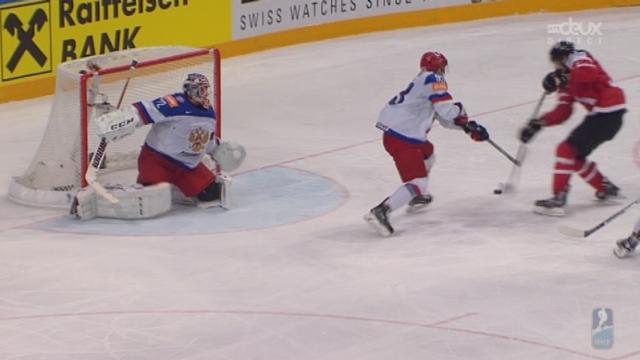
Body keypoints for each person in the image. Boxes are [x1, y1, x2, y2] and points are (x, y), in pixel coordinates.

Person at [71, 73, 245, 220]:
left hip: (188, 166)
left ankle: (175, 187)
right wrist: (119, 120)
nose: (204, 94)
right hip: (158, 160)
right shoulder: (174, 104)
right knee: (149, 200)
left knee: (212, 194)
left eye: (206, 90)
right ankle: (94, 200)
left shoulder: (209, 113)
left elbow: (205, 138)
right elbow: (145, 110)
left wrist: (217, 149)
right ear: (191, 91)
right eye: (200, 90)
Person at [365, 51, 490, 237]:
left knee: (428, 153)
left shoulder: (424, 82)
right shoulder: (434, 79)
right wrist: (461, 111)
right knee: (419, 182)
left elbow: (445, 118)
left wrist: (468, 128)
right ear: (439, 68)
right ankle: (382, 210)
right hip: (402, 137)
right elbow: (448, 111)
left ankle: (416, 196)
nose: (443, 71)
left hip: (401, 134)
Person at [520, 41, 625, 216]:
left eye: (558, 61)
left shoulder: (579, 57)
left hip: (608, 111)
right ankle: (605, 187)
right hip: (606, 116)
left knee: (565, 150)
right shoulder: (566, 80)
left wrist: (564, 77)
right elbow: (563, 112)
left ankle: (558, 198)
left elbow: (589, 73)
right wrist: (539, 123)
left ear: (564, 58)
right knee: (573, 157)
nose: (557, 65)